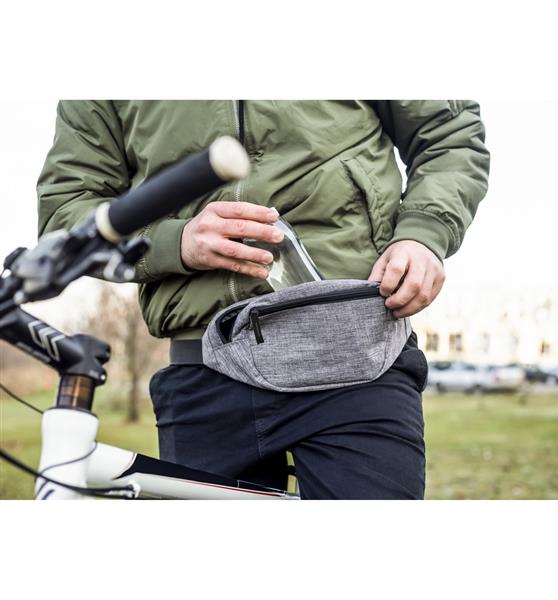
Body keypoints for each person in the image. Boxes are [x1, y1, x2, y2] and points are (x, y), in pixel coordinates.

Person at [37, 100, 490, 499]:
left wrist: (423, 234)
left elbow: (449, 134)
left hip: (355, 350)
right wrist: (176, 242)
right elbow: (64, 211)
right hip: (202, 365)